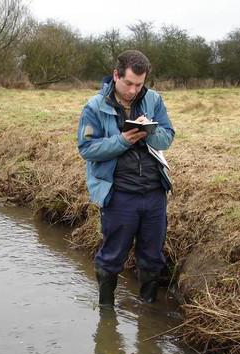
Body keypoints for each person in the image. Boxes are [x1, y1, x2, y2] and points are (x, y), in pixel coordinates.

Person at [76, 50, 175, 307]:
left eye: (139, 85)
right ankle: (106, 316)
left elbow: (168, 136)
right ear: (116, 75)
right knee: (111, 257)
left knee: (152, 258)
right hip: (119, 194)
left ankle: (147, 310)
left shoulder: (153, 100)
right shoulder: (94, 107)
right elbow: (87, 149)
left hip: (154, 193)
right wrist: (122, 141)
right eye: (128, 83)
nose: (133, 90)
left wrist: (149, 132)